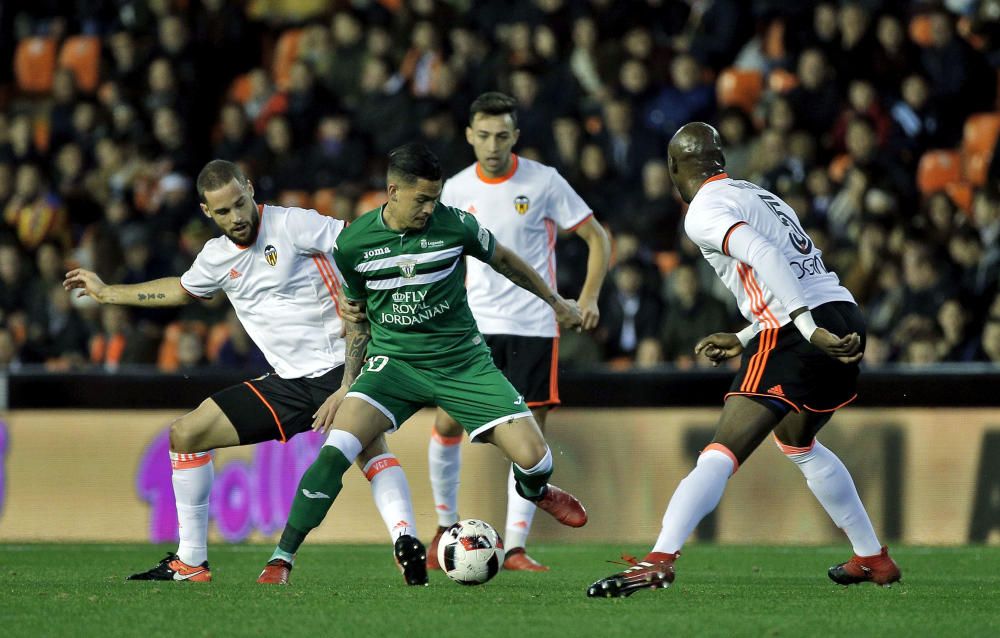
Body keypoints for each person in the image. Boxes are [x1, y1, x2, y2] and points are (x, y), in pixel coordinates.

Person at [64, 160, 423, 584]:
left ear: (251, 189)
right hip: (288, 382)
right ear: (206, 212)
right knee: (187, 433)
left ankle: (407, 543)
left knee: (369, 447)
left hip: (346, 366)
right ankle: (191, 562)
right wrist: (108, 293)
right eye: (223, 212)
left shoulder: (293, 224)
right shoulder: (215, 257)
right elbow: (180, 289)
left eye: (240, 203)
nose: (236, 217)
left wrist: (371, 299)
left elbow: (361, 242)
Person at [587, 123, 901, 598]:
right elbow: (791, 269)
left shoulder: (702, 210)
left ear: (675, 169)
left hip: (799, 328)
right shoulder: (759, 194)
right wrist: (745, 332)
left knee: (721, 451)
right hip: (843, 312)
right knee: (797, 441)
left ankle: (659, 560)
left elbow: (761, 253)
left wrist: (805, 326)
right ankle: (873, 557)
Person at [256, 143, 588, 585]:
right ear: (392, 191)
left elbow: (504, 259)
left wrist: (554, 300)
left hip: (462, 363)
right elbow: (356, 319)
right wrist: (348, 385)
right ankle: (281, 558)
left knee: (535, 458)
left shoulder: (455, 225)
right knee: (335, 452)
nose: (431, 209)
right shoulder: (353, 244)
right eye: (422, 199)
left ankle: (538, 490)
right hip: (393, 366)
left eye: (436, 198)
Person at [423, 92, 609, 572]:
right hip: (473, 327)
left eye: (502, 135)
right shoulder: (457, 188)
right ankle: (444, 526)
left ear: (516, 137)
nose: (492, 144)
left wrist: (586, 297)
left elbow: (597, 237)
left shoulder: (544, 181)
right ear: (468, 135)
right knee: (445, 422)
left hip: (533, 327)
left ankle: (516, 548)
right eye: (483, 135)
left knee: (532, 436)